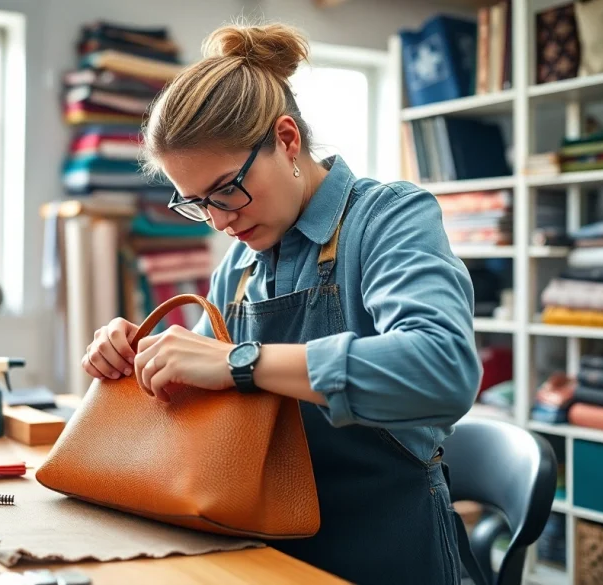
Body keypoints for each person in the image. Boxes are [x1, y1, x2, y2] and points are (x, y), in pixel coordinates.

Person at [80, 21, 482, 585]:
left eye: (227, 190)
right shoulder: (240, 267)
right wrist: (140, 361)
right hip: (265, 549)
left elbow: (443, 370)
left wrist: (241, 362)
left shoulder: (388, 219)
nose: (220, 221)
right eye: (197, 204)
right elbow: (200, 398)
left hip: (389, 548)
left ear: (287, 140)